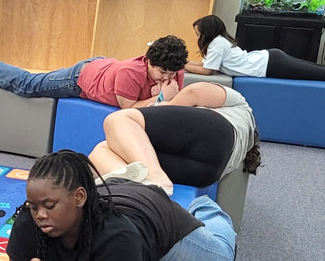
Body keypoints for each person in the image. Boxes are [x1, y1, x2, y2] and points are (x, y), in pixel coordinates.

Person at [0, 151, 237, 261]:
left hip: (157, 221)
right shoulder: (28, 223)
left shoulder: (116, 235)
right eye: (33, 206)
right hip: (114, 201)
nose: (39, 214)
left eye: (49, 206)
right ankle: (124, 180)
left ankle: (205, 209)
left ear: (79, 198)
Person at [87, 81, 261, 194]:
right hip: (208, 173)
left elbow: (195, 91)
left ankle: (156, 179)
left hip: (217, 130)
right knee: (102, 150)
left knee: (117, 119)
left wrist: (165, 104)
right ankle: (140, 186)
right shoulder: (242, 141)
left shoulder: (242, 105)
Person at [0, 36, 189, 109]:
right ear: (149, 61)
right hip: (82, 79)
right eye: (162, 72)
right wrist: (159, 99)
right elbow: (129, 108)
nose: (168, 78)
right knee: (29, 85)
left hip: (104, 68)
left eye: (173, 73)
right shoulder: (132, 72)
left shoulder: (174, 72)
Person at [185, 14, 325, 86]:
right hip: (270, 59)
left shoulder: (216, 44)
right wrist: (185, 62)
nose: (197, 37)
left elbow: (208, 71)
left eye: (198, 33)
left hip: (271, 64)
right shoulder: (220, 42)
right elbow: (206, 66)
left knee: (322, 73)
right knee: (319, 70)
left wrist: (183, 65)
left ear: (208, 33)